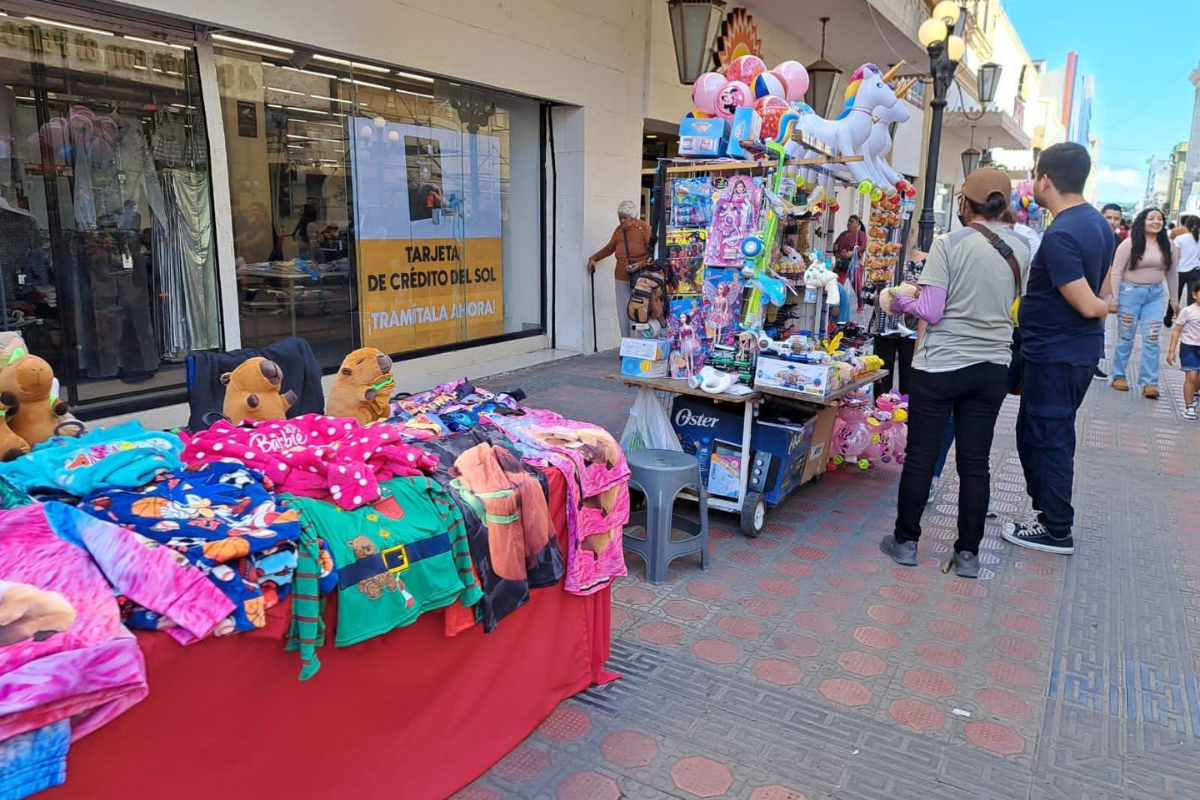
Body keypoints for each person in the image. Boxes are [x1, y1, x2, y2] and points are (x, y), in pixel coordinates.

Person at [879, 168, 1029, 578]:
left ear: (964, 203)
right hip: (992, 368)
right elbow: (1020, 308)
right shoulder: (1021, 245)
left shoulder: (949, 243)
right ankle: (967, 554)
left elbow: (930, 310)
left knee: (921, 459)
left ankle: (906, 543)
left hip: (941, 364)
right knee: (975, 464)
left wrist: (897, 303)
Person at [1004, 143, 1112, 556]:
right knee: (1036, 434)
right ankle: (1047, 516)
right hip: (1060, 352)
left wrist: (1104, 308)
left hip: (1058, 355)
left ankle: (1055, 528)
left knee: (1048, 438)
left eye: (1035, 174)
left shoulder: (1064, 232)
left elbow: (1090, 302)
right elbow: (1104, 288)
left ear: (1046, 179)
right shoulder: (1097, 224)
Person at [1108, 207, 1179, 397]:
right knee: (1126, 336)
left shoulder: (1168, 245)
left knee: (1152, 337)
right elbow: (1115, 272)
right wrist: (1114, 297)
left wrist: (1175, 301)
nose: (1156, 222)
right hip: (1130, 293)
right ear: (1142, 222)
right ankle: (1118, 375)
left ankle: (1150, 382)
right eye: (1151, 219)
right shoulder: (1129, 244)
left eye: (1160, 219)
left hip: (1155, 296)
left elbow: (1172, 274)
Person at [588, 200, 652, 339]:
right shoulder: (618, 230)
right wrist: (594, 258)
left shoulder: (644, 228)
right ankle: (626, 342)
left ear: (633, 217)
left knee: (639, 309)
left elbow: (652, 252)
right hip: (621, 275)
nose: (622, 221)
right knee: (623, 311)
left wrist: (640, 264)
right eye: (620, 217)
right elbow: (609, 248)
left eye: (625, 218)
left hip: (640, 276)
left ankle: (638, 342)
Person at [1167, 281, 1200, 419]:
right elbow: (1177, 331)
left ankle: (1196, 392)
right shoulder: (1188, 311)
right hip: (1189, 348)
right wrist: (1171, 351)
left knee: (1198, 378)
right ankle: (1189, 405)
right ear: (1194, 294)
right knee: (1191, 375)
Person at [1170, 215, 1200, 308]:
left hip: (1180, 270)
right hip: (1196, 271)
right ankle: (1192, 318)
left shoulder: (1180, 239)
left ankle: (1168, 317)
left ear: (1186, 225)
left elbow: (1176, 256)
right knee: (1193, 297)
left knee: (1175, 295)